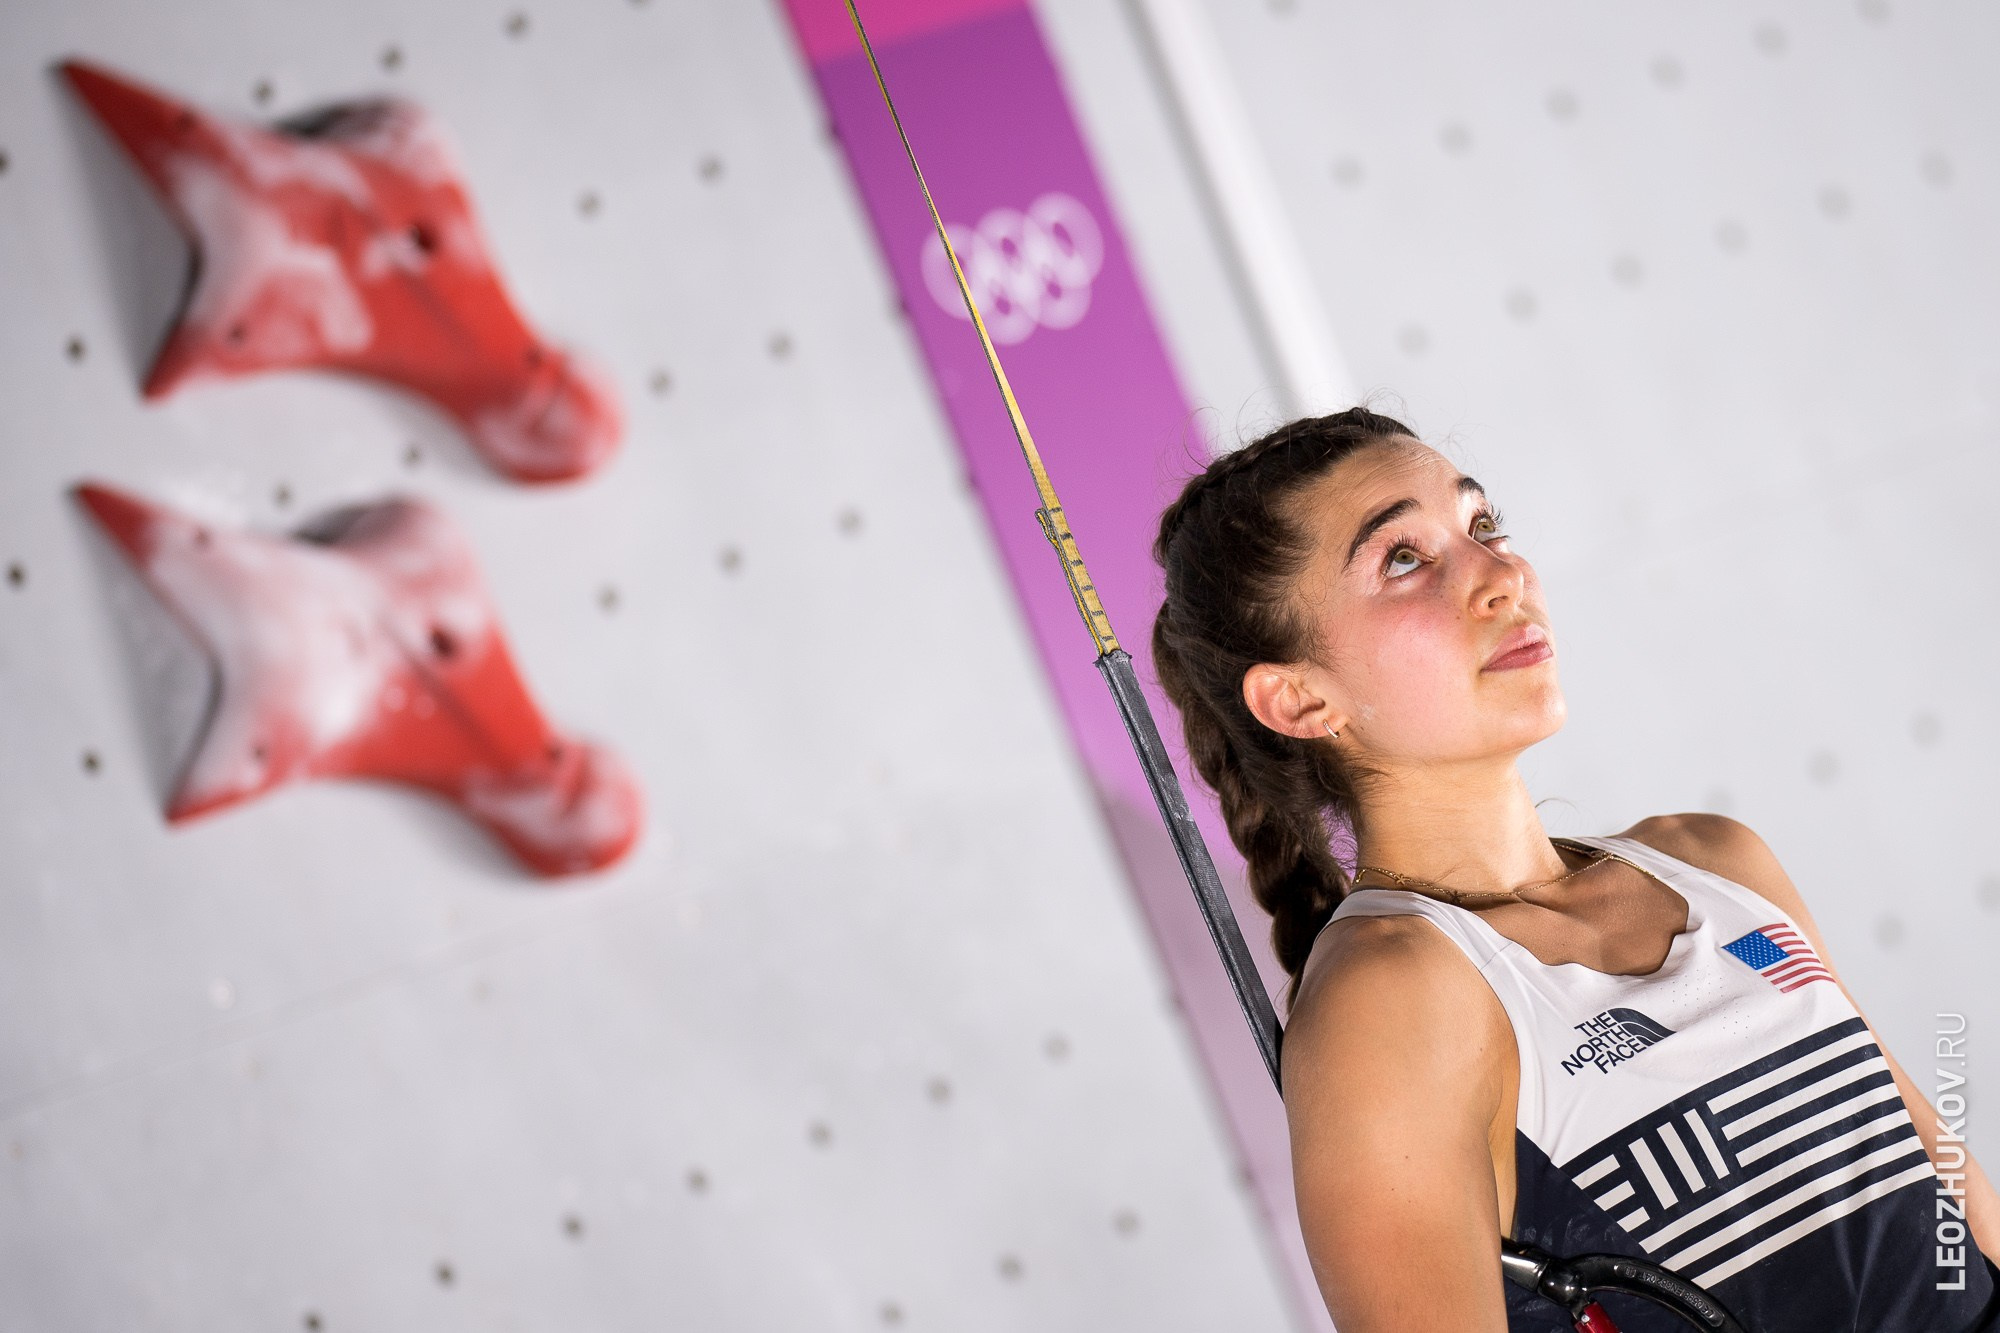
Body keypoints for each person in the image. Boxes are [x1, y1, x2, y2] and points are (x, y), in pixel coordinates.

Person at [1149, 408, 2000, 1332]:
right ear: (1300, 697)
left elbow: (1954, 1207)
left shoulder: (1715, 858)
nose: (1502, 576)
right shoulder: (1392, 998)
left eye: (1483, 527)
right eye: (1403, 558)